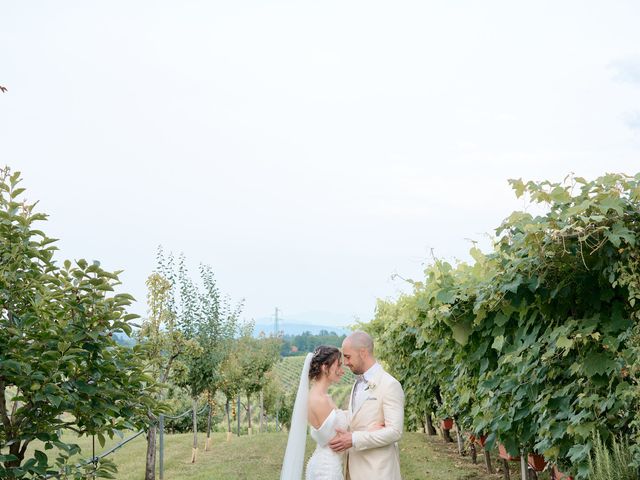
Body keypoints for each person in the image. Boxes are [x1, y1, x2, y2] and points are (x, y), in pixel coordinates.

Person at [328, 331, 405, 480]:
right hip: (352, 469)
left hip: (377, 472)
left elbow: (395, 431)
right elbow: (356, 417)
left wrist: (354, 439)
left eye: (348, 356)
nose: (345, 362)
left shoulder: (389, 385)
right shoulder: (357, 382)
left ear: (363, 352)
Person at [280, 345, 347, 480]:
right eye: (338, 365)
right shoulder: (319, 400)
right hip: (328, 469)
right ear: (324, 367)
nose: (342, 371)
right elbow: (335, 443)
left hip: (320, 461)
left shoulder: (318, 396)